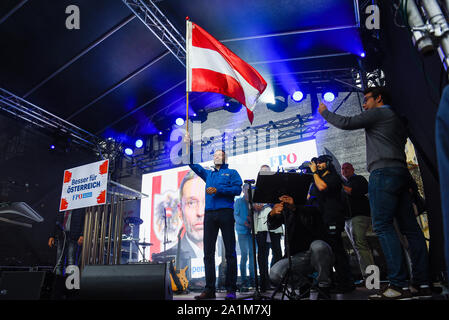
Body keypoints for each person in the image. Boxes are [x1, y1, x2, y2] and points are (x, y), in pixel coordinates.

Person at [318, 86, 431, 300]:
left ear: (379, 98)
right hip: (400, 172)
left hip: (383, 173)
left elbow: (346, 123)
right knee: (411, 229)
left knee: (382, 226)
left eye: (367, 99)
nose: (364, 103)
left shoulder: (379, 112)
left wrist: (324, 112)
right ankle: (422, 281)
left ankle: (398, 284)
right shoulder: (396, 118)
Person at [185, 132, 243, 300]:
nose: (217, 156)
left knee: (230, 252)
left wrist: (219, 190)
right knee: (208, 253)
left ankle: (231, 289)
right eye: (215, 155)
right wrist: (187, 146)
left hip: (226, 212)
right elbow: (192, 164)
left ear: (225, 159)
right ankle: (209, 289)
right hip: (209, 215)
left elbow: (237, 190)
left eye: (220, 155)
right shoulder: (208, 174)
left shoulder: (232, 172)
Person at [268, 194, 334, 299]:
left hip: (317, 254)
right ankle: (304, 283)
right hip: (297, 256)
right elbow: (272, 226)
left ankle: (323, 286)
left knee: (319, 246)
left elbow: (314, 216)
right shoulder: (287, 210)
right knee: (275, 273)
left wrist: (295, 208)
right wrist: (272, 214)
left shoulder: (314, 203)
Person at [308, 155, 355, 293]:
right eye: (317, 163)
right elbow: (310, 196)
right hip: (322, 220)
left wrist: (315, 173)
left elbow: (323, 187)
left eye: (321, 162)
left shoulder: (333, 177)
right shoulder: (317, 179)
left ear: (328, 163)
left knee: (337, 250)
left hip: (333, 218)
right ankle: (331, 282)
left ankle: (346, 282)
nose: (318, 165)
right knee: (326, 252)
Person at [341, 162, 375, 282]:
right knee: (357, 247)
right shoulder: (344, 184)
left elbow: (353, 191)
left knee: (361, 245)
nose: (344, 170)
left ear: (352, 169)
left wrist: (339, 185)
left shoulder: (359, 179)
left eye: (347, 168)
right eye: (343, 169)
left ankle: (371, 278)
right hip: (348, 220)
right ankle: (367, 277)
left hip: (359, 217)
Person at [253, 164, 283, 292]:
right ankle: (264, 283)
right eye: (262, 171)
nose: (265, 173)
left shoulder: (277, 187)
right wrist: (268, 201)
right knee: (263, 255)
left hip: (275, 225)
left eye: (267, 171)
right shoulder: (255, 188)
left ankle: (276, 280)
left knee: (277, 253)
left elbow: (280, 203)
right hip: (261, 225)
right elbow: (256, 206)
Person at [48, 208, 85, 276]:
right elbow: (55, 220)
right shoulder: (63, 206)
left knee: (71, 261)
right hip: (61, 235)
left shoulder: (79, 207)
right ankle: (57, 282)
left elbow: (84, 221)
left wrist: (82, 234)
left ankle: (70, 284)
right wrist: (51, 236)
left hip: (73, 236)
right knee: (59, 262)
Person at [233, 183, 256, 290]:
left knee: (252, 255)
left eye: (250, 189)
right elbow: (235, 217)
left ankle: (253, 280)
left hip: (252, 232)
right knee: (244, 255)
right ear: (243, 190)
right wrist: (245, 223)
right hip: (242, 232)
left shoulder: (253, 202)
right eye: (246, 189)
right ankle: (244, 281)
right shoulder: (238, 201)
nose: (248, 191)